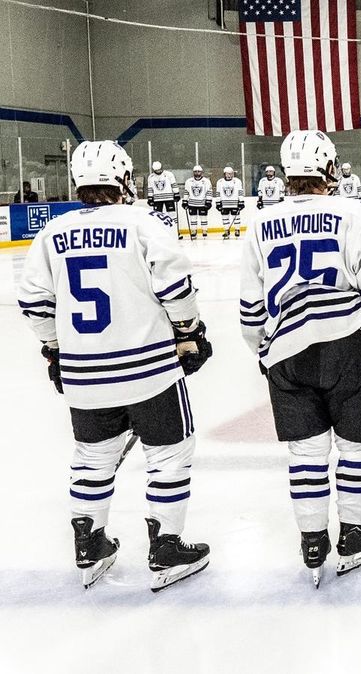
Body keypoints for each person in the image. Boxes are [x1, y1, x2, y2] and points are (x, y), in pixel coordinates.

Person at [18, 140, 213, 592]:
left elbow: (32, 303)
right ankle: (165, 547)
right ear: (124, 178)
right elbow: (177, 287)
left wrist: (53, 348)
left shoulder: (52, 233)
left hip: (85, 375)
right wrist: (188, 333)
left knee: (92, 457)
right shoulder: (144, 223)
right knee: (169, 454)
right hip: (150, 371)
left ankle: (89, 547)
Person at [239, 130, 361, 587]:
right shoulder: (353, 213)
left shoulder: (260, 222)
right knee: (356, 445)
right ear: (330, 170)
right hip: (344, 345)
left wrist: (264, 349)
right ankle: (354, 536)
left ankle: (313, 541)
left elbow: (249, 307)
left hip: (286, 352)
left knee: (306, 453)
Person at [145, 161, 181, 237]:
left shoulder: (169, 174)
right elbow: (150, 188)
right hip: (157, 199)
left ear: (162, 168)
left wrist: (176, 193)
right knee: (157, 216)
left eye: (159, 170)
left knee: (172, 215)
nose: (158, 172)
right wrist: (150, 198)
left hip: (169, 198)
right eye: (156, 171)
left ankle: (176, 232)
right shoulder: (151, 177)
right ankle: (159, 233)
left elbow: (173, 184)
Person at [215, 166, 245, 240]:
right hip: (224, 203)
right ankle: (226, 231)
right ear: (224, 174)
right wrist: (218, 202)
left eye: (231, 174)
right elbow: (218, 193)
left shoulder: (237, 181)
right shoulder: (220, 182)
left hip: (234, 203)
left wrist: (241, 201)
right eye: (228, 174)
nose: (229, 175)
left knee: (236, 218)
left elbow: (240, 192)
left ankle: (237, 230)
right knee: (225, 218)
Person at [182, 165, 212, 240]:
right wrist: (185, 201)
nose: (197, 173)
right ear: (193, 172)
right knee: (193, 218)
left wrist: (209, 201)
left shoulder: (206, 181)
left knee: (203, 218)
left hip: (202, 203)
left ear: (202, 172)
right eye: (195, 171)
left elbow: (209, 192)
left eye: (199, 171)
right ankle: (193, 231)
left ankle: (204, 231)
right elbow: (186, 192)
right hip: (192, 203)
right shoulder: (188, 181)